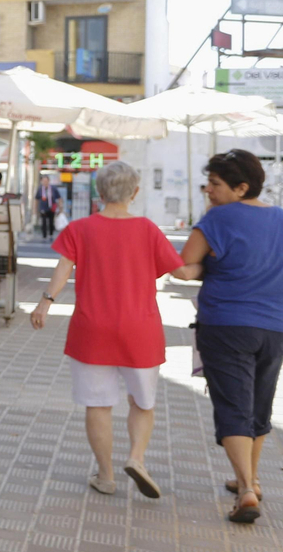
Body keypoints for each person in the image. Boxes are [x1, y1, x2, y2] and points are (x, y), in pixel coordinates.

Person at [29, 161, 181, 499]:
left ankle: (106, 475)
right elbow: (179, 271)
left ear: (99, 193)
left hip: (91, 329)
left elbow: (62, 270)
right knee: (142, 402)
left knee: (98, 404)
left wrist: (44, 303)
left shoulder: (79, 229)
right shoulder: (148, 229)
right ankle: (137, 459)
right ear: (135, 193)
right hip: (140, 329)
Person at [172, 149, 283, 524]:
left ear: (240, 187)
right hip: (274, 327)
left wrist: (201, 268)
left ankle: (247, 489)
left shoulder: (217, 218)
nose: (208, 190)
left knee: (233, 407)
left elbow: (184, 267)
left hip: (226, 324)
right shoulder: (281, 218)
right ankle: (248, 480)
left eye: (215, 184)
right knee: (258, 406)